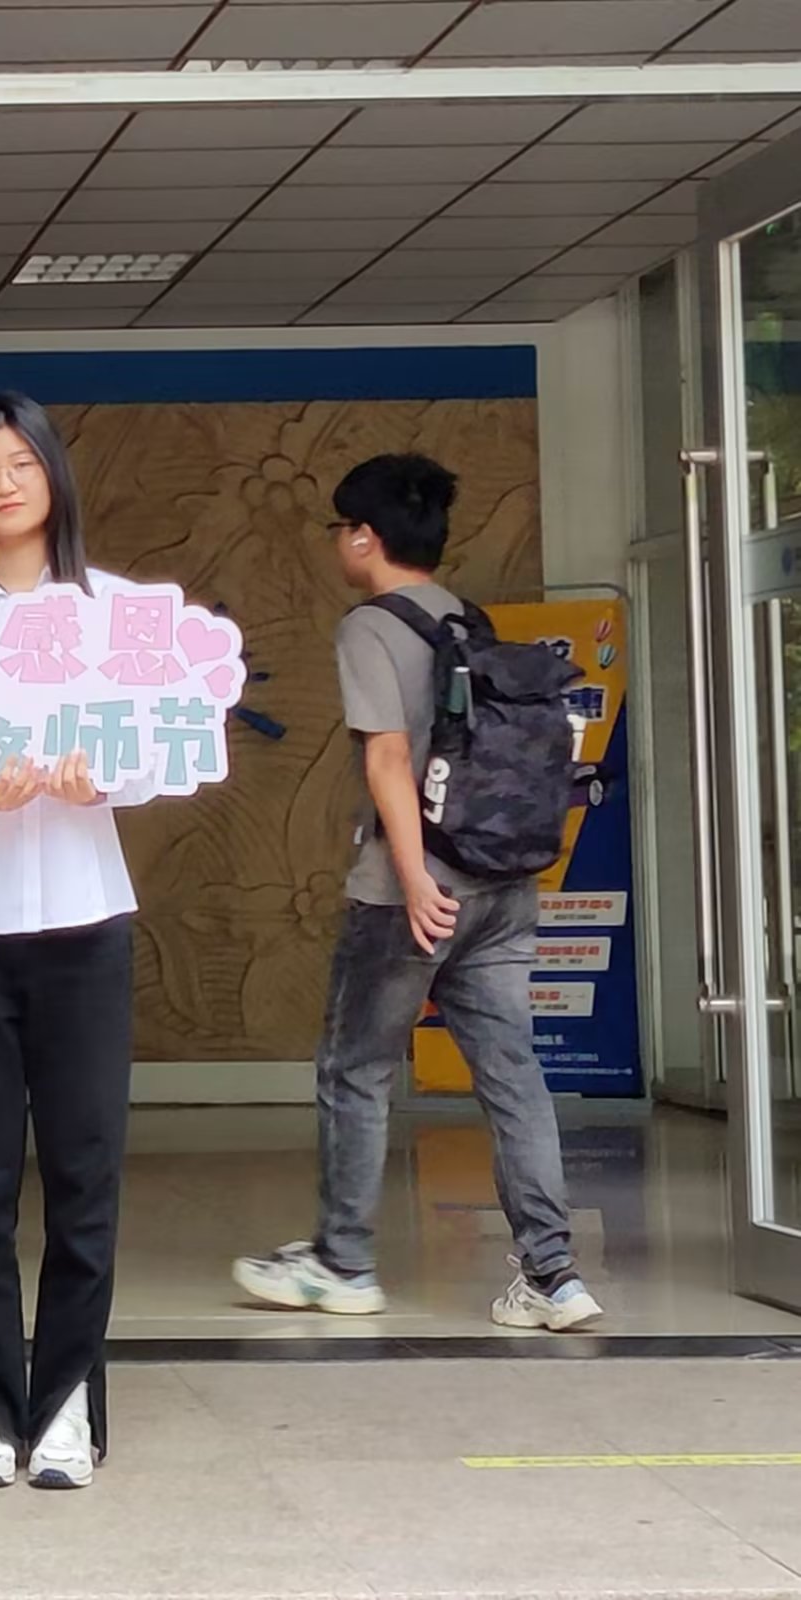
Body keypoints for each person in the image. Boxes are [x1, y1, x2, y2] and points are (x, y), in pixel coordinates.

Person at [232, 455, 604, 1331]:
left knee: (354, 1071)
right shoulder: (467, 621)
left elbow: (389, 758)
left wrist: (410, 879)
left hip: (414, 893)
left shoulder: (370, 626)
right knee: (512, 1077)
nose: (337, 542)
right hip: (502, 886)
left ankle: (342, 1263)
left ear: (363, 537)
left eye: (339, 528)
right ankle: (553, 1278)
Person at [0, 394, 156, 1493]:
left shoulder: (118, 615)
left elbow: (157, 749)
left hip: (87, 923)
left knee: (85, 1177)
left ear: (53, 474)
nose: (2, 485)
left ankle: (63, 1409)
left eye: (20, 463)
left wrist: (109, 779)